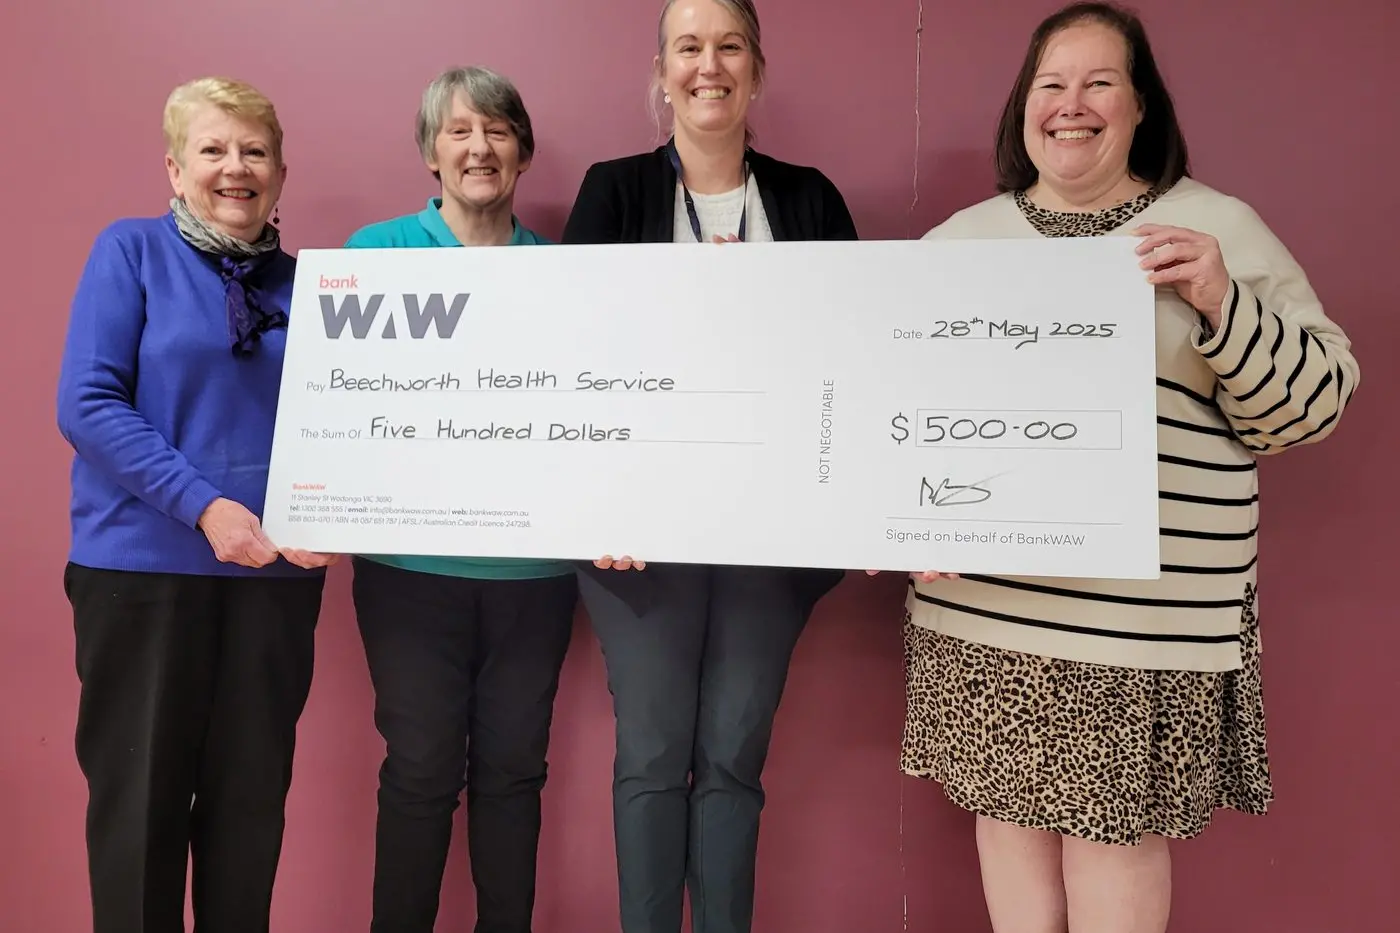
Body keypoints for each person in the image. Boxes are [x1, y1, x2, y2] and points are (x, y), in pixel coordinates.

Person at [890, 4, 1361, 932]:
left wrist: (1222, 300)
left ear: (1141, 104)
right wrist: (902, 523)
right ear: (1023, 106)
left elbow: (1313, 407)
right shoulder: (956, 244)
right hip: (985, 609)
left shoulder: (1213, 228)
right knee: (1007, 821)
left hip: (1141, 623)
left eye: (1100, 81)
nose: (1073, 105)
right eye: (1050, 84)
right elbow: (895, 423)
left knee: (1116, 839)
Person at [560, 2, 858, 931]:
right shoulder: (614, 192)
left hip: (773, 534)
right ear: (662, 69)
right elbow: (572, 357)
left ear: (756, 70)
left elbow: (858, 358)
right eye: (688, 47)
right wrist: (598, 503)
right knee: (651, 755)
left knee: (732, 757)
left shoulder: (810, 199)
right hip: (637, 539)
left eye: (729, 45)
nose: (709, 65)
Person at [55, 76, 334, 933]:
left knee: (250, 807)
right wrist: (207, 507)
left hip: (276, 578)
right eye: (213, 150)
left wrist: (344, 512)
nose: (235, 168)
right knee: (139, 809)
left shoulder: (320, 287)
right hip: (141, 574)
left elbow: (350, 422)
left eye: (254, 151)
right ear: (175, 169)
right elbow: (89, 402)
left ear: (281, 172)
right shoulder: (128, 251)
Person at [341, 66, 579, 933]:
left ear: (523, 151)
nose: (479, 148)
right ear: (430, 153)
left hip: (534, 572)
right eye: (458, 132)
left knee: (515, 768)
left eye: (497, 131)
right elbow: (341, 409)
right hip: (408, 572)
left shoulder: (571, 277)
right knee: (421, 766)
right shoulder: (375, 258)